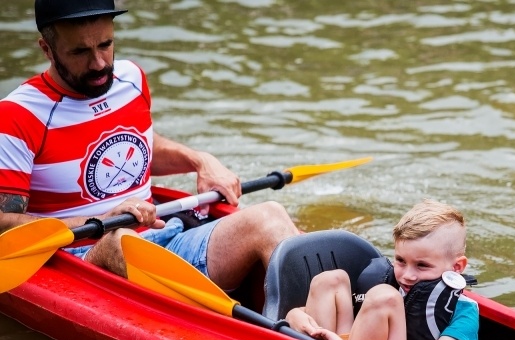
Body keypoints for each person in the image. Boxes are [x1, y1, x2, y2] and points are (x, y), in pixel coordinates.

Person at [0, 0, 299, 291]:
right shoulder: (17, 115)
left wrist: (200, 160)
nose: (99, 63)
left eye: (105, 44)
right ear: (47, 49)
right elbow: (3, 222)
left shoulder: (131, 79)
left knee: (270, 215)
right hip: (83, 257)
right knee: (120, 240)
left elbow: (140, 147)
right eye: (80, 51)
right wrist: (101, 220)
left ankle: (304, 316)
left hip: (165, 235)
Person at [286, 199, 479, 340]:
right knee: (330, 280)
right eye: (401, 261)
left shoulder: (465, 312)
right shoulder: (387, 280)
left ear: (457, 267)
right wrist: (294, 316)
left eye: (422, 265)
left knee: (385, 297)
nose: (407, 275)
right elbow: (302, 312)